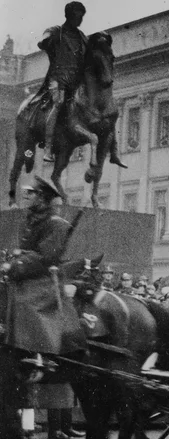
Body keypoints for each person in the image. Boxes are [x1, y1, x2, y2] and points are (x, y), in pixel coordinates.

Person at [1, 176, 86, 359]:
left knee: (25, 301)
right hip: (27, 274)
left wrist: (14, 265)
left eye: (30, 193)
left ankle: (36, 353)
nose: (25, 196)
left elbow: (45, 256)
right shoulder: (30, 220)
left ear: (42, 197)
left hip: (44, 279)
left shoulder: (57, 224)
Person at [37, 2, 88, 163]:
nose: (80, 20)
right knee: (58, 103)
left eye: (81, 17)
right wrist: (46, 41)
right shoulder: (56, 31)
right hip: (57, 79)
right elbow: (44, 39)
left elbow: (89, 55)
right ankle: (48, 147)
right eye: (77, 16)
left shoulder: (81, 37)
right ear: (69, 15)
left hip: (75, 81)